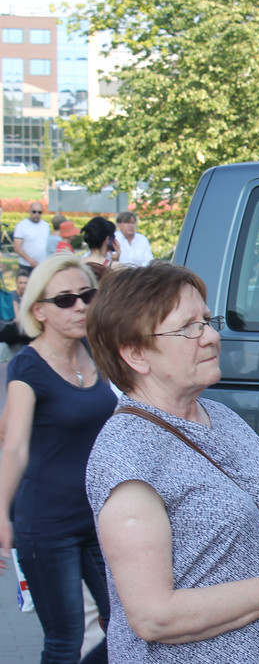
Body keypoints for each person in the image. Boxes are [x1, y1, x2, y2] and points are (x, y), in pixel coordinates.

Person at [84, 261, 259, 662]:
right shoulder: (126, 456)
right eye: (189, 327)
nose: (213, 336)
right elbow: (154, 617)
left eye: (207, 320)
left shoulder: (223, 417)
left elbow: (254, 538)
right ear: (135, 353)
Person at [0, 254, 114, 663]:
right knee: (65, 641)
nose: (80, 306)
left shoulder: (97, 353)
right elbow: (12, 445)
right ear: (39, 311)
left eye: (87, 295)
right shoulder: (26, 367)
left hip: (102, 519)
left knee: (129, 624)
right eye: (65, 300)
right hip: (46, 527)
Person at [14, 203, 50, 272]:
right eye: (34, 212)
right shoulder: (22, 226)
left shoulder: (46, 225)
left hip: (42, 266)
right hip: (26, 265)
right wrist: (30, 261)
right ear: (29, 211)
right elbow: (17, 247)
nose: (37, 214)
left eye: (39, 212)